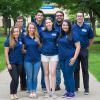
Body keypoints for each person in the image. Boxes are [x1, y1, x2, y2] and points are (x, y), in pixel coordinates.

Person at [73, 11, 94, 95]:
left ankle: (86, 88)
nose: (79, 17)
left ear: (83, 17)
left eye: (81, 16)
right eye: (78, 16)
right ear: (76, 17)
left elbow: (91, 38)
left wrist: (88, 47)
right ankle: (76, 87)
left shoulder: (88, 27)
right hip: (75, 51)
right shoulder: (73, 27)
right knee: (76, 69)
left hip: (84, 50)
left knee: (85, 70)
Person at [58, 19, 80, 98]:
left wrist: (74, 58)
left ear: (69, 26)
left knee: (69, 74)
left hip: (70, 58)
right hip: (62, 58)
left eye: (66, 25)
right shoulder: (61, 34)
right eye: (63, 25)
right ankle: (67, 91)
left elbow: (78, 47)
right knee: (65, 75)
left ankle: (72, 92)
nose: (65, 26)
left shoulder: (74, 34)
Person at [40, 17, 59, 98]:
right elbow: (39, 41)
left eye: (49, 22)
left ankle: (53, 92)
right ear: (45, 24)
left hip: (54, 54)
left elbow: (59, 41)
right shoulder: (42, 32)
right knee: (46, 73)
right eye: (46, 22)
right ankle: (48, 92)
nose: (48, 24)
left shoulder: (56, 32)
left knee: (53, 72)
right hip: (44, 55)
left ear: (52, 23)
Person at [4, 26, 23, 99]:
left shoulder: (20, 40)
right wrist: (8, 63)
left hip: (19, 62)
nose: (16, 33)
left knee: (17, 78)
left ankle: (15, 93)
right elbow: (6, 53)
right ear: (12, 32)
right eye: (14, 31)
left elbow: (21, 50)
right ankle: (12, 93)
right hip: (11, 62)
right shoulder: (8, 41)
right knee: (14, 78)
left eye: (17, 31)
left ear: (19, 32)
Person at [23, 22, 41, 98]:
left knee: (35, 76)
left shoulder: (37, 37)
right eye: (30, 28)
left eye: (33, 28)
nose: (31, 29)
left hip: (37, 59)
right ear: (28, 29)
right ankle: (30, 91)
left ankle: (34, 90)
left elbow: (40, 47)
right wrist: (27, 51)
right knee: (29, 76)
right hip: (28, 60)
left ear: (35, 29)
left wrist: (38, 42)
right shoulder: (25, 37)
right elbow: (22, 49)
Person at [32, 10, 46, 93]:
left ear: (42, 17)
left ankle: (44, 86)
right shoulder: (32, 25)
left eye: (41, 15)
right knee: (33, 70)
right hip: (34, 50)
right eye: (38, 15)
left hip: (44, 50)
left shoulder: (45, 25)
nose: (40, 16)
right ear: (35, 16)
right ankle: (32, 87)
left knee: (44, 70)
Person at [16, 16, 27, 91]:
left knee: (23, 70)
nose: (20, 22)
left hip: (23, 54)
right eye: (18, 21)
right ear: (16, 22)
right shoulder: (13, 30)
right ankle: (15, 86)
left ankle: (23, 86)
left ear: (23, 22)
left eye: (21, 21)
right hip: (16, 54)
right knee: (17, 70)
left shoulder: (25, 31)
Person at [54, 11, 64, 91]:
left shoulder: (67, 25)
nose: (59, 17)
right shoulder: (52, 26)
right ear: (55, 17)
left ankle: (67, 84)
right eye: (57, 15)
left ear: (63, 16)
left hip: (66, 50)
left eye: (60, 15)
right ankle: (57, 84)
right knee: (57, 69)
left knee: (66, 68)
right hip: (55, 51)